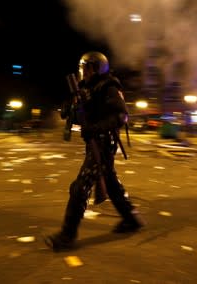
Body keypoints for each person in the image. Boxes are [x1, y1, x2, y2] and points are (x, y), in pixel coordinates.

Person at [45, 51, 145, 252]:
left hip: (104, 142)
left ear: (97, 68)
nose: (84, 72)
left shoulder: (108, 86)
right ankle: (131, 220)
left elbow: (121, 116)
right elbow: (82, 115)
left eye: (87, 68)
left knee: (80, 187)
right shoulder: (86, 88)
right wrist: (69, 110)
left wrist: (95, 128)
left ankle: (67, 236)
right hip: (94, 142)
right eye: (83, 68)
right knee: (110, 183)